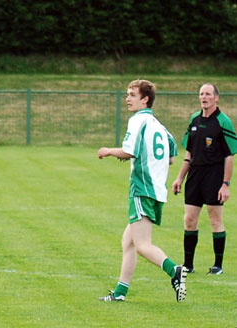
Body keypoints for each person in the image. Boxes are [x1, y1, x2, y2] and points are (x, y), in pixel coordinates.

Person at [97, 79, 187, 302]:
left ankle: (174, 270)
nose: (127, 99)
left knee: (143, 245)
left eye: (132, 95)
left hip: (141, 188)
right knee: (128, 241)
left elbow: (129, 151)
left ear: (145, 99)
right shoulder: (160, 126)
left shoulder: (138, 121)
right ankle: (120, 292)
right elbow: (171, 157)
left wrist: (109, 151)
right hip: (157, 190)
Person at [172, 83, 237, 275]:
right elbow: (189, 152)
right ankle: (188, 266)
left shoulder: (223, 122)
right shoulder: (194, 119)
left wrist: (225, 184)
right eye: (201, 94)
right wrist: (179, 178)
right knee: (189, 220)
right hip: (195, 175)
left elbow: (229, 155)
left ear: (216, 98)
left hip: (214, 176)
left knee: (215, 220)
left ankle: (217, 266)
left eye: (208, 94)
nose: (204, 97)